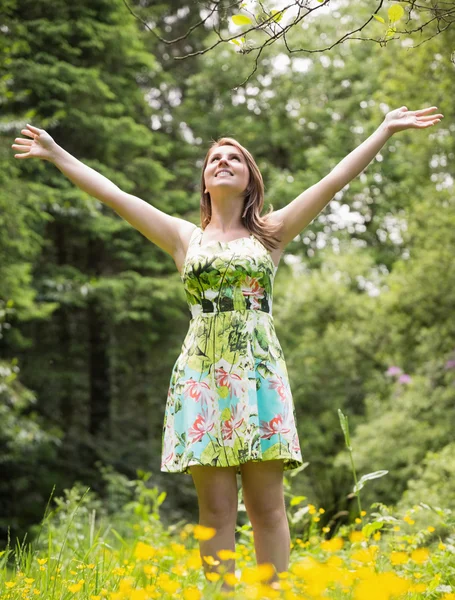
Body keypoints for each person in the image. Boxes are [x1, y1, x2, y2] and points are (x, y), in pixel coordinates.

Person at [12, 105, 443, 592]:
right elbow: (115, 195)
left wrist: (383, 130)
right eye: (214, 157)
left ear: (249, 180)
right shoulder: (182, 238)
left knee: (266, 509)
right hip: (200, 379)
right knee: (214, 511)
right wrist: (56, 153)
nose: (222, 161)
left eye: (233, 158)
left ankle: (272, 593)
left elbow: (332, 180)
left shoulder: (271, 234)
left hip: (258, 376)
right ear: (204, 180)